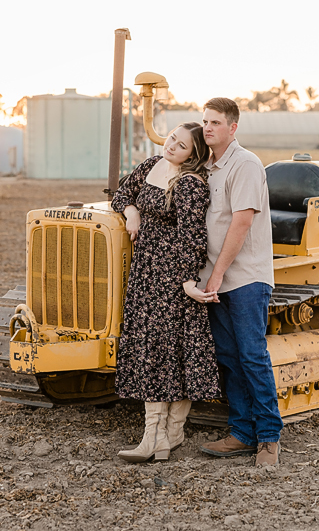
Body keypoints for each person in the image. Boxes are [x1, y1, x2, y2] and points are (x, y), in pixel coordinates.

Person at [110, 122, 221, 463]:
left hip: (172, 276)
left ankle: (162, 436)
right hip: (145, 273)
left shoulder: (190, 184)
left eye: (182, 145)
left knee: (169, 353)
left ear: (193, 155)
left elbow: (193, 237)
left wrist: (187, 280)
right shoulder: (151, 165)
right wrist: (131, 212)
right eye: (172, 137)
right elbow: (121, 194)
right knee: (154, 350)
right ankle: (163, 438)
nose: (172, 145)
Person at [197, 97, 283, 466]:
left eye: (216, 122)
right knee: (230, 358)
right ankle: (242, 433)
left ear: (233, 127)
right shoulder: (206, 168)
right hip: (215, 279)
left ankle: (269, 438)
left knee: (252, 356)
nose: (208, 128)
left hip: (245, 277)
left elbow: (242, 221)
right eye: (205, 121)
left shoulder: (245, 164)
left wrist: (216, 274)